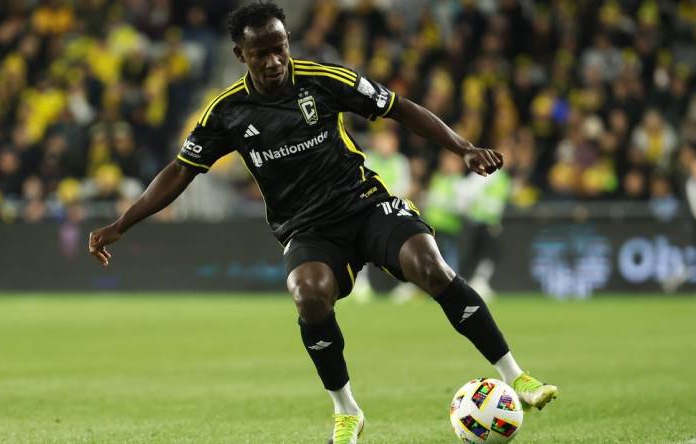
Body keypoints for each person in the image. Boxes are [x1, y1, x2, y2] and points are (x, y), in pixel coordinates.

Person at [88, 3, 558, 442]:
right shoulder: (226, 112)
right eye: (261, 54)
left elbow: (400, 107)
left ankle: (516, 375)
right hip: (305, 228)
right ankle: (347, 408)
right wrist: (122, 224)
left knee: (430, 266)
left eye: (280, 48)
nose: (274, 61)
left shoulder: (323, 79)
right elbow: (179, 171)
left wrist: (463, 147)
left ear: (288, 41)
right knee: (308, 294)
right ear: (240, 55)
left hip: (363, 203)